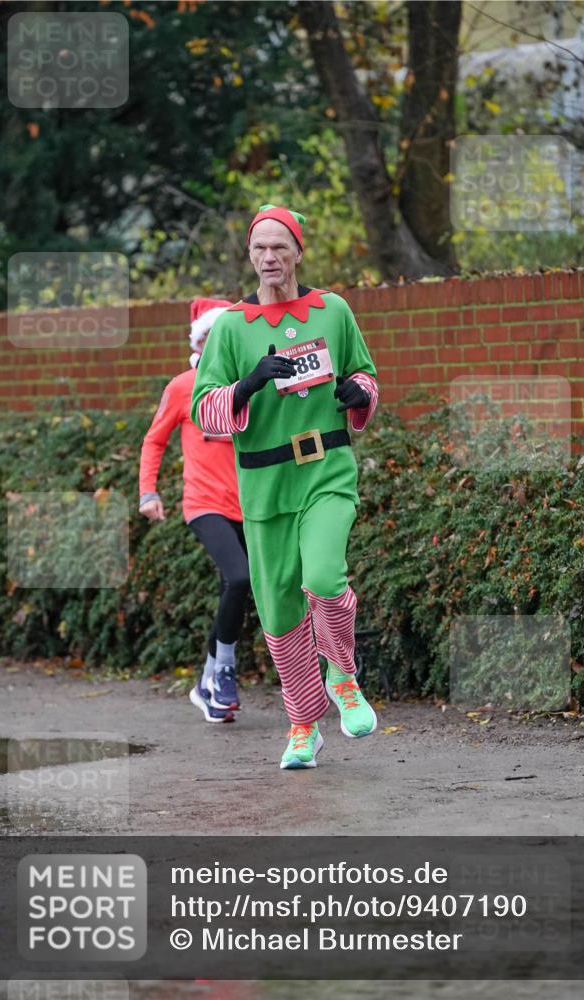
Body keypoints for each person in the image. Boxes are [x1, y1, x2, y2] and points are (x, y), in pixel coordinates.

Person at [191, 204, 378, 769]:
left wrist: (359, 395)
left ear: (298, 251)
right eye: (259, 249)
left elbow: (365, 372)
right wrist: (247, 385)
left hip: (326, 468)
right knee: (277, 614)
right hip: (265, 483)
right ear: (249, 256)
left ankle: (343, 677)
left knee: (323, 575)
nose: (269, 258)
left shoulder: (333, 310)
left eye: (279, 247)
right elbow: (206, 413)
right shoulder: (229, 327)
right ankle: (303, 724)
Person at [139, 298, 250, 724]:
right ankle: (223, 669)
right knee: (239, 577)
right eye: (212, 337)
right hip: (204, 505)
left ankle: (206, 682)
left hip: (250, 507)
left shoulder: (247, 388)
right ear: (200, 342)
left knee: (234, 588)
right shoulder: (184, 386)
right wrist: (148, 492)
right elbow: (154, 440)